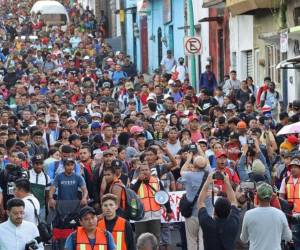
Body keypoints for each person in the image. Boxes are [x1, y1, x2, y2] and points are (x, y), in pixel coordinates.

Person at [241, 182, 292, 249]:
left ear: (257, 196)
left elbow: (244, 239)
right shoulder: (280, 214)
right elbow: (288, 237)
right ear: (271, 197)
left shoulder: (248, 214)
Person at [131, 162, 173, 243]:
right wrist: (139, 181)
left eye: (146, 170)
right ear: (139, 172)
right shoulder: (135, 182)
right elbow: (131, 194)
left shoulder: (156, 181)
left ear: (150, 171)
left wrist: (169, 210)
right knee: (140, 239)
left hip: (155, 216)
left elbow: (163, 195)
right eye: (142, 170)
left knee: (155, 238)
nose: (145, 172)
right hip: (141, 217)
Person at [198, 171, 240, 250]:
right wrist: (227, 182)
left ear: (214, 211)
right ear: (229, 212)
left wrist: (207, 182)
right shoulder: (233, 223)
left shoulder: (207, 223)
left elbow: (200, 202)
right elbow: (234, 201)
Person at [180, 154, 212, 250]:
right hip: (207, 213)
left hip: (192, 214)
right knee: (204, 240)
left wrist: (189, 159)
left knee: (191, 241)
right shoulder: (210, 173)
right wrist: (200, 150)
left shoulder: (188, 175)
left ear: (194, 165)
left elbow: (181, 171)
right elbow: (208, 163)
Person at [28, 154, 51, 221]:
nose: (39, 166)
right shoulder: (27, 174)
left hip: (41, 207)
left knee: (41, 227)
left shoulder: (46, 178)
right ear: (32, 164)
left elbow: (47, 195)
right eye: (36, 164)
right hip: (29, 206)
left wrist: (47, 210)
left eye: (41, 163)